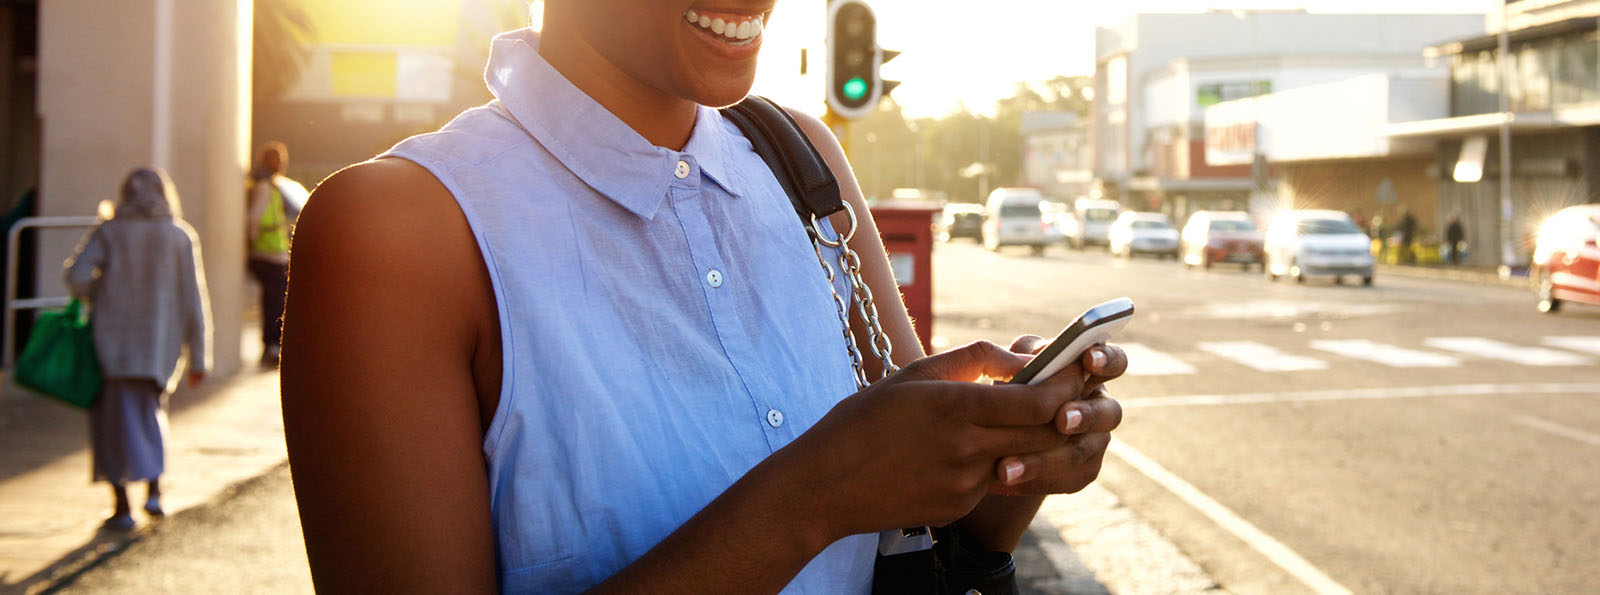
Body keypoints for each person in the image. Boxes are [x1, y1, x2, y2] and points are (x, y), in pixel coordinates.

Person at [280, 4, 1127, 593]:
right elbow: (840, 484)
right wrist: (816, 492)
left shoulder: (802, 160)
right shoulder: (396, 231)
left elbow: (936, 535)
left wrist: (1015, 465)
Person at [64, 167, 211, 531]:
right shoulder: (179, 235)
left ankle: (121, 506)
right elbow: (195, 301)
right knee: (150, 417)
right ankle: (154, 492)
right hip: (159, 346)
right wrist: (199, 357)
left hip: (112, 345)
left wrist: (106, 291)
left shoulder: (109, 231)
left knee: (111, 425)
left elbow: (77, 277)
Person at [245, 141, 307, 366]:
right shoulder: (264, 186)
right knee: (274, 301)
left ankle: (272, 344)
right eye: (277, 159)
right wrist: (250, 245)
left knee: (274, 300)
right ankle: (271, 345)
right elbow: (254, 219)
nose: (281, 164)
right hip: (267, 253)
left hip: (270, 251)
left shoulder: (271, 184)